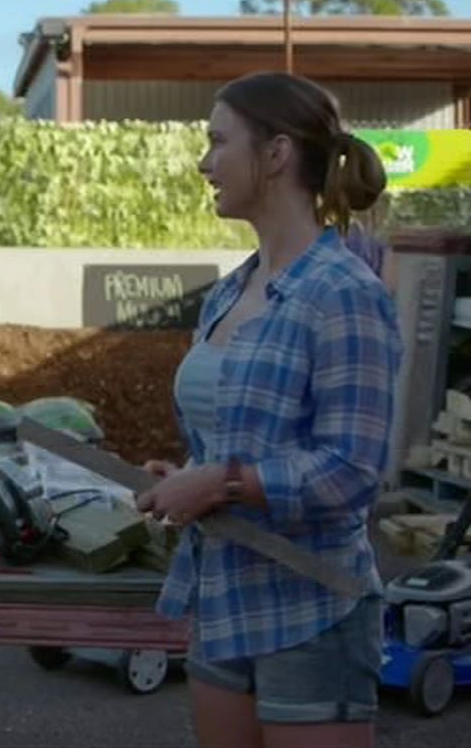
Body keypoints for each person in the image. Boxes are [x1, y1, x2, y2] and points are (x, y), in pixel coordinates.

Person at [136, 71, 402, 748]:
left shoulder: (344, 293)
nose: (204, 163)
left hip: (312, 606)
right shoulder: (230, 291)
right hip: (224, 597)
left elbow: (351, 471)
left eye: (217, 141)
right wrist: (189, 475)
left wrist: (220, 482)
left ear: (276, 153)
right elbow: (236, 433)